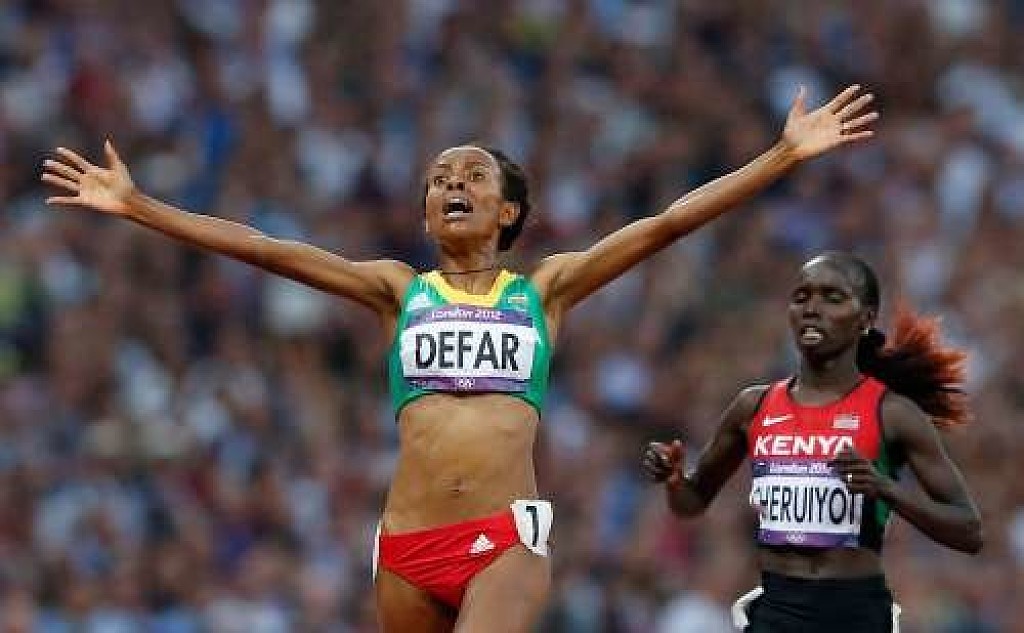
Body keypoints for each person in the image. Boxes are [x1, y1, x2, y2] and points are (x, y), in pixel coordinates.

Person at [41, 85, 876, 632]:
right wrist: (139, 205)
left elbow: (666, 223)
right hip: (405, 546)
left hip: (503, 536)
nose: (451, 184)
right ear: (425, 214)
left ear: (508, 211)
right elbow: (266, 248)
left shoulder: (544, 289)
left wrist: (781, 155)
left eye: (472, 175)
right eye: (439, 178)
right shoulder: (395, 289)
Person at [643, 251, 983, 632]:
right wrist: (674, 479)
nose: (811, 309)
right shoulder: (753, 407)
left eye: (832, 298)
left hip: (854, 616)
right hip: (776, 612)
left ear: (866, 319)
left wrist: (885, 489)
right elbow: (691, 502)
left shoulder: (891, 413)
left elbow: (969, 531)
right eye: (801, 297)